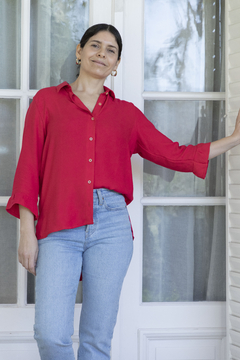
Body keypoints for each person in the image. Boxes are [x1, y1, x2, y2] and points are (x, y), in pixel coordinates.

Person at [6, 23, 240, 360]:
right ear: (79, 52)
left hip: (111, 228)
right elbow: (28, 168)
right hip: (58, 227)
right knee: (49, 332)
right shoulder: (46, 102)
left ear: (116, 65)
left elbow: (174, 154)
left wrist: (233, 139)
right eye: (95, 46)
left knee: (97, 340)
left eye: (111, 50)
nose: (101, 53)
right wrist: (26, 230)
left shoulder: (126, 115)